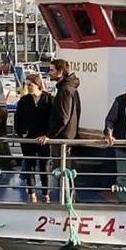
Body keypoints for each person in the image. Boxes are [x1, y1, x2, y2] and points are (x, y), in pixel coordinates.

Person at [38, 59, 80, 199]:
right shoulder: (71, 88)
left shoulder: (64, 90)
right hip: (68, 136)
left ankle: (66, 201)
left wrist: (50, 135)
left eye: (52, 70)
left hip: (62, 138)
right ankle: (68, 199)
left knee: (61, 172)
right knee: (64, 172)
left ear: (60, 72)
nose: (49, 73)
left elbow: (63, 117)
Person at [15, 74, 54, 202]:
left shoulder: (49, 99)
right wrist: (21, 133)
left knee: (45, 166)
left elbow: (53, 119)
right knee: (29, 165)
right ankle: (31, 193)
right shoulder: (24, 100)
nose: (28, 87)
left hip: (43, 138)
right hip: (28, 138)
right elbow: (18, 118)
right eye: (26, 85)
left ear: (37, 85)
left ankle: (45, 193)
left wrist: (48, 134)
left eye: (30, 85)